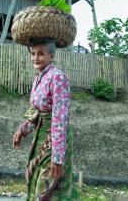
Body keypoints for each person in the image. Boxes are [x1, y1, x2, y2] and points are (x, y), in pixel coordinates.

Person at [13, 38, 80, 200]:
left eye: (41, 54)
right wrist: (23, 130)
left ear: (52, 56)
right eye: (33, 54)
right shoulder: (38, 78)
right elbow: (36, 112)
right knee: (34, 176)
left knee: (47, 184)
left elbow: (60, 117)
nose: (35, 58)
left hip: (54, 139)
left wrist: (58, 157)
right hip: (40, 137)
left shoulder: (58, 78)